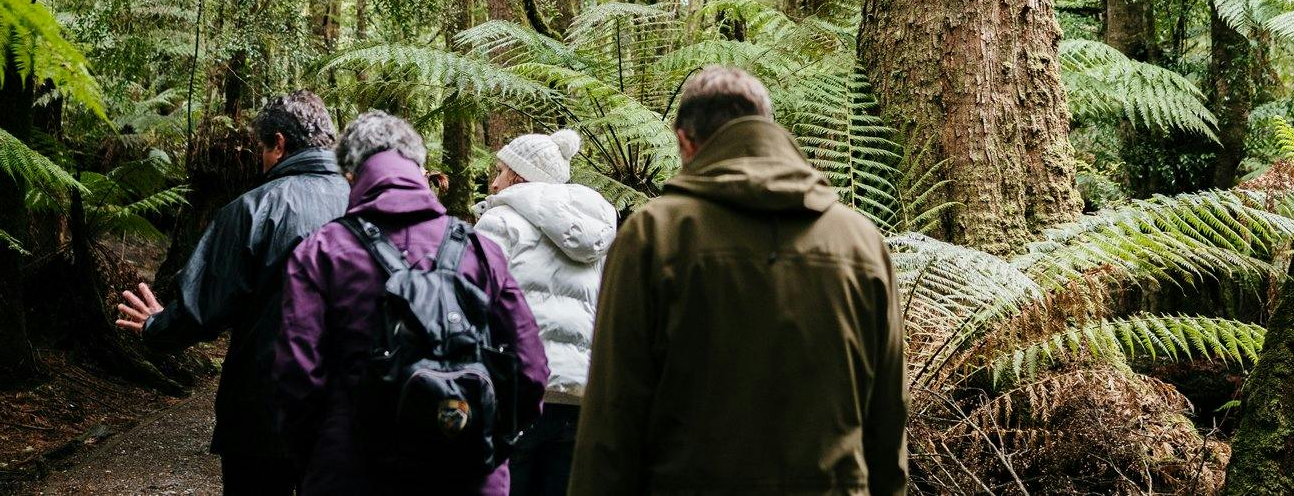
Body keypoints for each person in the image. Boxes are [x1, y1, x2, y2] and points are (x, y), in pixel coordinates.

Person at [569, 66, 908, 496]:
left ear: (684, 142)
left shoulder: (652, 238)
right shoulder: (863, 244)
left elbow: (612, 420)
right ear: (769, 127)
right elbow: (887, 422)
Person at [274, 111, 549, 495]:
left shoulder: (321, 252)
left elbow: (297, 376)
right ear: (419, 169)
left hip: (351, 472)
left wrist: (319, 457)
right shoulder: (479, 250)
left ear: (350, 175)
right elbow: (531, 369)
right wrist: (490, 444)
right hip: (470, 474)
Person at [115, 91, 349, 496]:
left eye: (261, 148)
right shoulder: (370, 207)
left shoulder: (252, 210)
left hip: (262, 414)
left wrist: (157, 326)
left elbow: (204, 308)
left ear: (279, 143)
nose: (260, 159)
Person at [475, 130, 618, 496]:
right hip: (579, 393)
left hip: (519, 390)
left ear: (519, 177)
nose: (494, 184)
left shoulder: (499, 222)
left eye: (502, 172)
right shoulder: (597, 232)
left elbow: (475, 300)